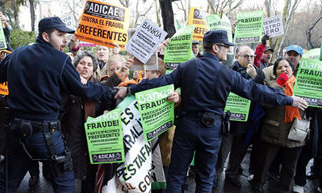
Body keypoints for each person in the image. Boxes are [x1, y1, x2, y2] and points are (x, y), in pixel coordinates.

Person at [115, 30, 308, 193]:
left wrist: (130, 88)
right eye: (226, 47)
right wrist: (289, 99)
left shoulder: (187, 66)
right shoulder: (226, 73)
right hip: (211, 130)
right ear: (215, 48)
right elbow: (256, 91)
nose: (228, 51)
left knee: (177, 175)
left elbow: (160, 83)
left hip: (186, 127)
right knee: (206, 178)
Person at [0, 17, 120, 193]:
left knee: (7, 184)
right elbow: (84, 89)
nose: (65, 40)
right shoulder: (60, 59)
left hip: (16, 132)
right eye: (60, 35)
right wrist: (110, 93)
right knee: (64, 183)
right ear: (46, 36)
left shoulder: (18, 54)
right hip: (46, 135)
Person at [250, 58, 308, 193]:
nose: (283, 69)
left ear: (292, 69)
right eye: (279, 68)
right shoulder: (270, 85)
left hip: (295, 133)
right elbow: (266, 103)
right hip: (273, 130)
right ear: (275, 72)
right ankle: (257, 186)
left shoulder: (302, 85)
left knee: (289, 168)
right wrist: (279, 84)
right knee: (263, 164)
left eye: (286, 66)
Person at [61, 50, 112, 192]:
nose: (85, 67)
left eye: (89, 64)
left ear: (93, 69)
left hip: (92, 142)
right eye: (82, 63)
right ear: (75, 67)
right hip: (71, 141)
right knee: (67, 179)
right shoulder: (67, 87)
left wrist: (107, 110)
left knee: (89, 179)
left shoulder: (100, 89)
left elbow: (109, 100)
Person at [215, 45, 265, 188]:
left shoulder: (258, 73)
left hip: (246, 122)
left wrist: (255, 77)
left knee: (239, 152)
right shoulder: (228, 71)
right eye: (246, 56)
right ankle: (215, 178)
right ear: (237, 57)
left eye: (252, 56)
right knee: (222, 153)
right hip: (229, 121)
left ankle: (232, 174)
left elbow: (261, 91)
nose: (250, 59)